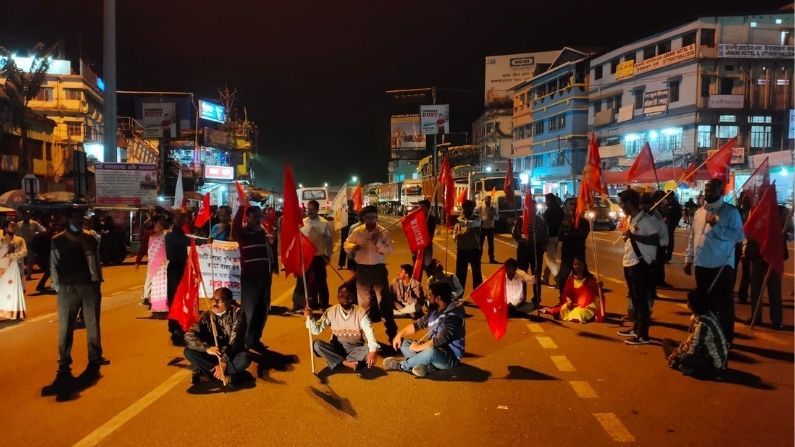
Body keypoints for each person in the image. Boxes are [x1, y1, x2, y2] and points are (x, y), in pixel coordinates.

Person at [684, 178, 744, 343]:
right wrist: (688, 259)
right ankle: (706, 336)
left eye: (713, 189)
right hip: (701, 265)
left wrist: (717, 226)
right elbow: (693, 237)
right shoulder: (698, 212)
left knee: (723, 305)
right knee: (703, 304)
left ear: (722, 192)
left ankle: (726, 339)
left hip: (721, 266)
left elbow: (739, 236)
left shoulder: (730, 212)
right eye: (707, 188)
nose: (708, 192)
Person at [51, 208, 108, 379]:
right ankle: (64, 362)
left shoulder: (90, 238)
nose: (80, 220)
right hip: (68, 288)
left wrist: (97, 282)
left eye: (81, 218)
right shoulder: (58, 240)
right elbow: (53, 264)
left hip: (89, 286)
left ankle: (95, 356)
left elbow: (95, 259)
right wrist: (57, 287)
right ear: (68, 219)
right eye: (75, 217)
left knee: (92, 323)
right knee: (66, 327)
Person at [383, 281, 465, 377]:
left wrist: (418, 347)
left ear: (438, 298)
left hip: (448, 357)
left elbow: (440, 340)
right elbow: (417, 325)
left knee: (431, 352)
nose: (428, 298)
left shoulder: (454, 316)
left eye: (430, 295)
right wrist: (400, 334)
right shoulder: (435, 311)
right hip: (431, 348)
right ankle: (427, 367)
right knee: (403, 343)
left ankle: (401, 365)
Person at [344, 205, 396, 342]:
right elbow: (346, 245)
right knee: (364, 305)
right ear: (363, 218)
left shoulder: (382, 232)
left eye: (374, 217)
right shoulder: (357, 231)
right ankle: (365, 338)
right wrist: (353, 247)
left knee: (384, 303)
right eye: (368, 217)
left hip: (378, 270)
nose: (371, 220)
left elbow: (390, 250)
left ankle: (393, 337)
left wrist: (378, 242)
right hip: (362, 271)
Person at [617, 189, 660, 345]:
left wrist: (633, 236)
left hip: (641, 264)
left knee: (642, 301)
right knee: (635, 299)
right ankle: (636, 328)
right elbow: (630, 240)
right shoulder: (631, 219)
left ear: (629, 203)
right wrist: (627, 237)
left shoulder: (647, 221)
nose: (620, 206)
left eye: (622, 202)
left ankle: (643, 335)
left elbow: (655, 240)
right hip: (629, 261)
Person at [184, 287, 252, 385]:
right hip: (214, 353)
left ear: (229, 302)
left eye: (220, 300)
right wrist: (206, 348)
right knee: (189, 351)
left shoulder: (238, 313)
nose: (215, 303)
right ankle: (229, 378)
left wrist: (223, 363)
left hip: (232, 354)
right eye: (213, 299)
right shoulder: (206, 315)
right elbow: (189, 335)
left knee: (244, 359)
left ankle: (209, 375)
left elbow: (235, 341)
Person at [304, 284, 378, 372]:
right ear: (337, 298)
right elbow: (316, 330)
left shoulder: (361, 313)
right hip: (336, 347)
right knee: (316, 345)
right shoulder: (331, 311)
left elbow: (370, 333)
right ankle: (345, 362)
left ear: (353, 297)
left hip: (355, 348)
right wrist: (310, 318)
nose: (345, 299)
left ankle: (336, 360)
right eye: (342, 296)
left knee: (372, 348)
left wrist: (372, 352)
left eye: (348, 296)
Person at [232, 205, 275, 354]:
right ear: (247, 217)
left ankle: (254, 340)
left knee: (262, 310)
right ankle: (243, 342)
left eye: (259, 216)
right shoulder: (242, 233)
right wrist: (241, 206)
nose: (258, 219)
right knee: (249, 312)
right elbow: (234, 228)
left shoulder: (263, 232)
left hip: (264, 277)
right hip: (250, 279)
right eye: (255, 216)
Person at [745, 204, 790, 330]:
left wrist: (786, 235)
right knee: (755, 288)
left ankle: (776, 320)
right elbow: (748, 230)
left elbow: (792, 231)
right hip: (757, 254)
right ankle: (756, 317)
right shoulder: (754, 210)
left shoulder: (782, 211)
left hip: (773, 255)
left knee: (774, 289)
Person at [667, 290, 728, 378]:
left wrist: (676, 354)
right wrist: (678, 350)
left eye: (688, 301)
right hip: (705, 351)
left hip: (714, 363)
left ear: (693, 306)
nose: (686, 303)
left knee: (685, 358)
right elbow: (690, 340)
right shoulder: (705, 314)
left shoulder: (702, 324)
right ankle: (677, 362)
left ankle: (678, 363)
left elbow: (693, 349)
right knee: (667, 342)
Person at [292, 200, 332, 311]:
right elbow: (298, 240)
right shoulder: (302, 222)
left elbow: (329, 242)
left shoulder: (324, 223)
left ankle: (323, 304)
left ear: (317, 210)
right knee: (301, 281)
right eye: (309, 209)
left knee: (321, 282)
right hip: (304, 257)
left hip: (318, 257)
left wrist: (328, 256)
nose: (310, 212)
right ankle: (298, 304)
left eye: (313, 210)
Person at [512, 200, 548, 308]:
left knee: (536, 274)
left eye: (531, 207)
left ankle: (536, 298)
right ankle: (522, 297)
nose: (528, 209)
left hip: (535, 249)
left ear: (535, 208)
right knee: (521, 273)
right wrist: (518, 229)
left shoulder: (540, 220)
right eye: (526, 207)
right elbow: (514, 235)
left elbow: (545, 237)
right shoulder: (520, 220)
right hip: (523, 248)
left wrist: (540, 248)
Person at [543, 257, 601, 323]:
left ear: (584, 265)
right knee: (559, 313)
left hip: (586, 306)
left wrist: (599, 286)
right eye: (575, 264)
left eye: (580, 264)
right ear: (573, 266)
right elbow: (566, 294)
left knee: (578, 314)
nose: (578, 267)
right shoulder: (571, 279)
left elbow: (594, 295)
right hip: (573, 304)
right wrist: (568, 301)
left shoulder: (590, 279)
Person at [165, 209, 192, 344]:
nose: (184, 220)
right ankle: (175, 327)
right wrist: (201, 241)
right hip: (176, 268)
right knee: (176, 298)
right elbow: (185, 241)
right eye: (182, 217)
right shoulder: (171, 235)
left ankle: (180, 326)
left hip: (181, 268)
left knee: (182, 298)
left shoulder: (180, 234)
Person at [557, 200, 590, 294]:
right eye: (571, 208)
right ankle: (563, 298)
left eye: (575, 207)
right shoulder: (565, 222)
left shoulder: (584, 222)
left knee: (583, 277)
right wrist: (566, 231)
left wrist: (569, 234)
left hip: (579, 254)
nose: (572, 210)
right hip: (567, 254)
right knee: (563, 277)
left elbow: (582, 236)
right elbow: (560, 237)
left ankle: (584, 297)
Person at [140, 214, 169, 311]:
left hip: (163, 264)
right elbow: (146, 248)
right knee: (152, 281)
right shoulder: (151, 236)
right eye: (158, 223)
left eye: (161, 223)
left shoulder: (166, 235)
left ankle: (160, 304)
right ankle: (149, 299)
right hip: (153, 262)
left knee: (161, 284)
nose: (160, 225)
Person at [0, 220, 28, 320]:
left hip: (18, 269)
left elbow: (24, 252)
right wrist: (7, 253)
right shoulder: (1, 240)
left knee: (18, 290)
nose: (14, 227)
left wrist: (12, 256)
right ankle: (4, 313)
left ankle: (16, 313)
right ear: (5, 228)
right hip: (5, 270)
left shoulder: (20, 240)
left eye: (14, 225)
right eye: (11, 226)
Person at [453, 200, 482, 290]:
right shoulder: (459, 219)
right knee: (460, 274)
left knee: (476, 274)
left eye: (469, 208)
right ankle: (459, 295)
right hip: (462, 250)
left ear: (473, 208)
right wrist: (455, 235)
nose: (466, 210)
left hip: (474, 249)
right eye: (465, 208)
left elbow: (473, 224)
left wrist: (462, 224)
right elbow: (455, 233)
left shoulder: (478, 218)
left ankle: (478, 295)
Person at [15, 210, 46, 280]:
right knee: (20, 261)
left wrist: (37, 233)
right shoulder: (18, 224)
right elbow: (15, 234)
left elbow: (43, 230)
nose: (25, 216)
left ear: (29, 216)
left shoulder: (34, 223)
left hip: (31, 244)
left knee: (30, 261)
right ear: (22, 216)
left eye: (27, 215)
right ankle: (19, 276)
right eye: (24, 215)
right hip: (21, 245)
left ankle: (28, 276)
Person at [542, 193, 564, 286]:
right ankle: (545, 277)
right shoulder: (560, 210)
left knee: (550, 260)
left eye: (546, 200)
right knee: (550, 258)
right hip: (556, 237)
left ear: (550, 200)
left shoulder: (549, 211)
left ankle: (558, 279)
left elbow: (545, 226)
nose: (545, 202)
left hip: (549, 237)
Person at [414, 199, 436, 277]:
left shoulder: (431, 219)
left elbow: (430, 234)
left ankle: (432, 286)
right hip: (417, 248)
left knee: (428, 268)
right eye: (419, 207)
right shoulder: (415, 218)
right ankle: (416, 287)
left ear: (428, 208)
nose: (420, 209)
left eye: (423, 207)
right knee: (416, 270)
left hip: (427, 247)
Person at [476, 196, 498, 264]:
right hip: (482, 228)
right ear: (484, 200)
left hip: (490, 228)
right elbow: (474, 211)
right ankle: (478, 258)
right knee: (480, 244)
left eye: (489, 200)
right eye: (486, 200)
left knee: (491, 245)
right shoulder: (481, 207)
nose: (487, 201)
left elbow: (497, 217)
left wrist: (493, 216)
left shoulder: (493, 208)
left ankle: (491, 259)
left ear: (490, 201)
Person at [338, 199, 359, 270]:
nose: (351, 205)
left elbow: (358, 222)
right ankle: (341, 264)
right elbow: (340, 221)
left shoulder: (356, 213)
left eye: (352, 204)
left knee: (352, 248)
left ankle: (351, 265)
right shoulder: (344, 213)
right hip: (345, 232)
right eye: (349, 204)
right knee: (343, 248)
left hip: (353, 233)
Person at [663, 193, 682, 264]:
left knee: (669, 240)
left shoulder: (675, 204)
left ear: (671, 196)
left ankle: (668, 257)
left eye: (667, 195)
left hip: (671, 224)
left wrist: (675, 222)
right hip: (666, 223)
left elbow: (679, 214)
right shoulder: (668, 204)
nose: (666, 197)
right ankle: (665, 256)